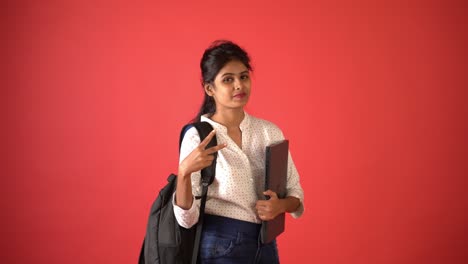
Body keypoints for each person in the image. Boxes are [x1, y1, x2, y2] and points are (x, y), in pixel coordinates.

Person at [173, 40, 304, 264]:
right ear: (209, 88)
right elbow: (187, 219)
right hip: (219, 247)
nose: (238, 86)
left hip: (266, 245)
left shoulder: (269, 132)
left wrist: (279, 206)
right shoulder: (199, 136)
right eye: (228, 79)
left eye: (243, 77)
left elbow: (296, 194)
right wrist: (184, 172)